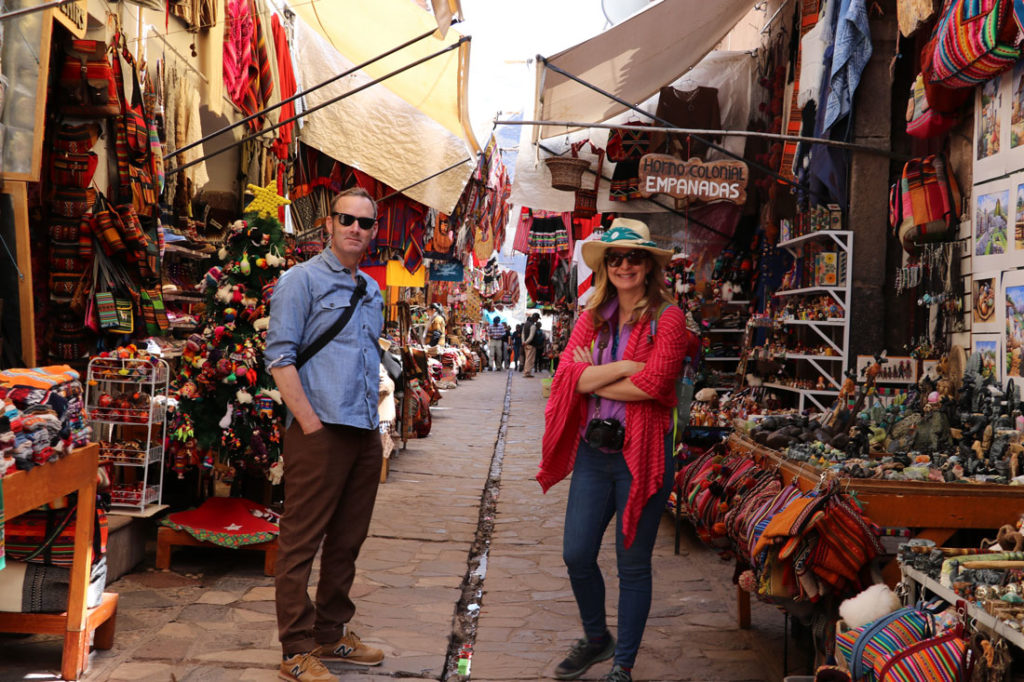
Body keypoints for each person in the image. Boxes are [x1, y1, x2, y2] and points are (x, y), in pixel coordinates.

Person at [538, 218, 698, 682]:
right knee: (576, 554)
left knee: (632, 564)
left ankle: (623, 664)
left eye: (634, 256)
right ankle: (596, 638)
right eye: (616, 257)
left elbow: (657, 384)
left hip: (642, 455)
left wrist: (597, 376)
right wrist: (627, 365)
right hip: (594, 453)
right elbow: (566, 379)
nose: (625, 264)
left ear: (649, 265)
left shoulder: (669, 317)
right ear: (606, 266)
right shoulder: (592, 316)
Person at [266, 186, 387, 682]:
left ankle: (331, 633)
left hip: (363, 430)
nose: (356, 228)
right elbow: (280, 356)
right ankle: (295, 648)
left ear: (374, 232)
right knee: (300, 541)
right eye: (347, 219)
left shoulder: (374, 290)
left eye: (365, 222)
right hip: (320, 431)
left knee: (347, 540)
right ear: (328, 225)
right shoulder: (301, 281)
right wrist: (310, 424)